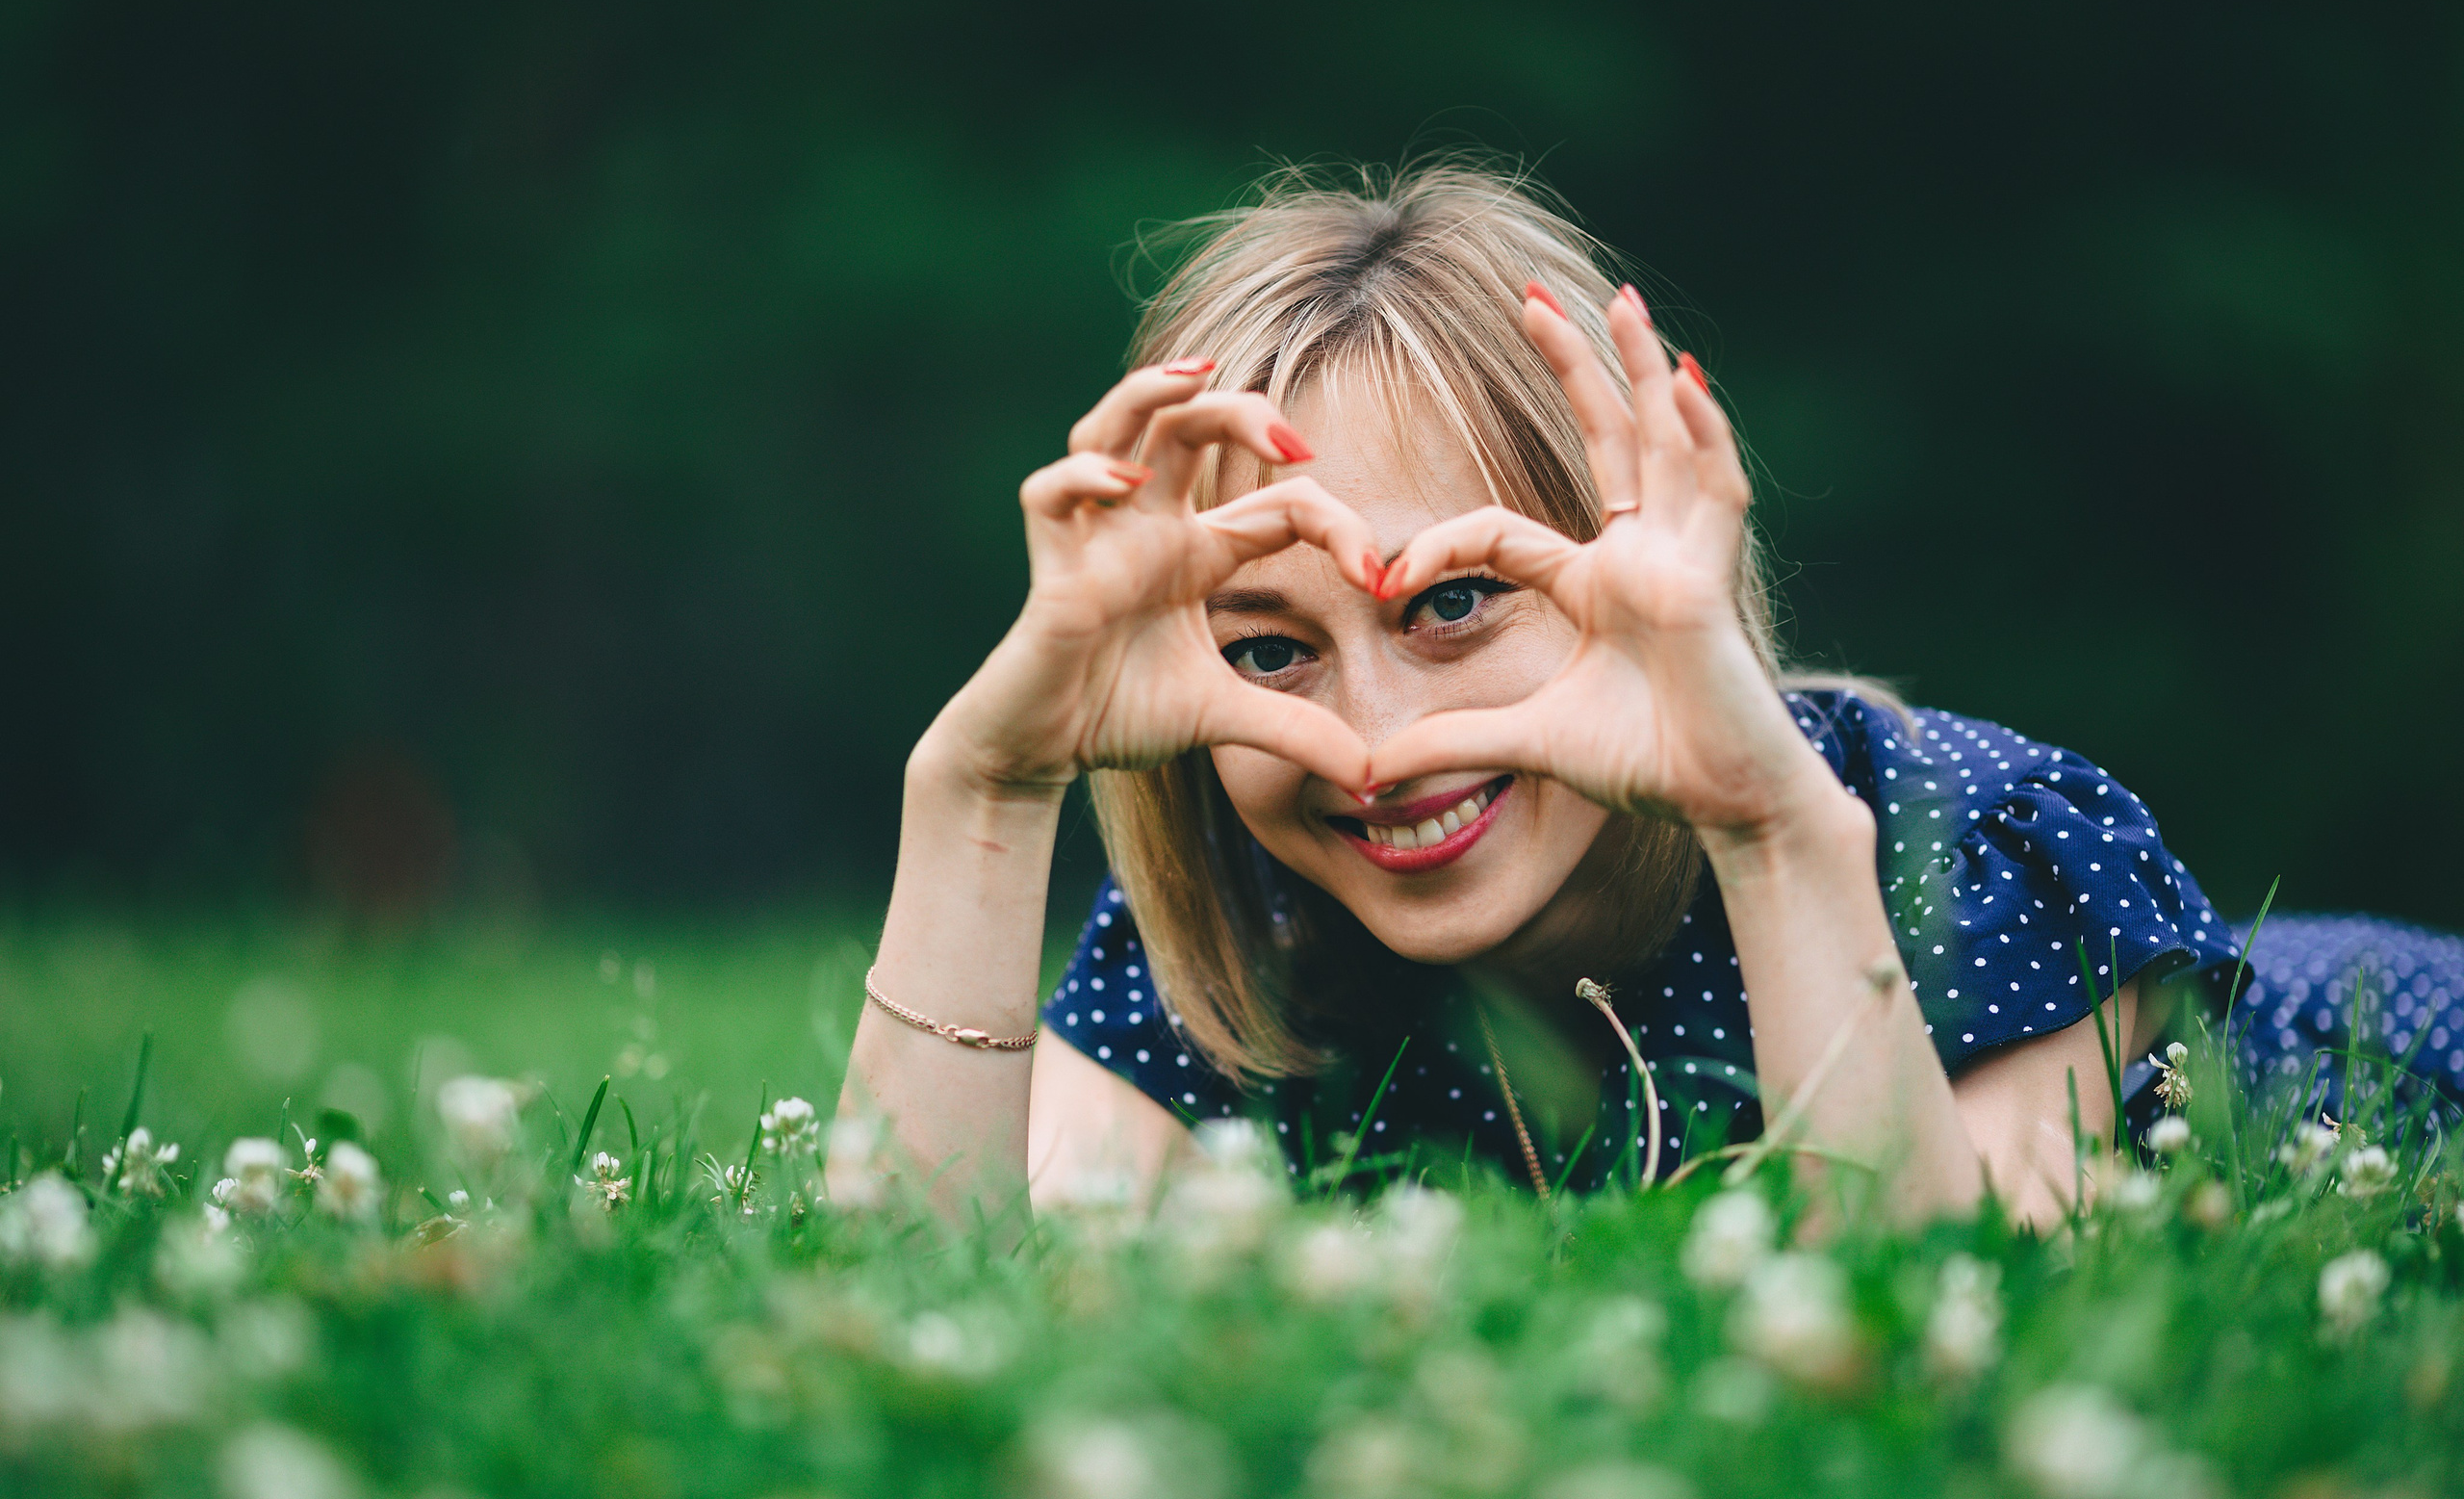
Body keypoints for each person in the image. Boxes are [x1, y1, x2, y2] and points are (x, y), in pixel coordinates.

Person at [837, 161, 2463, 1230]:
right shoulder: (1245, 923)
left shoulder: (1968, 849)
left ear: (1634, 558)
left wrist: (1767, 830)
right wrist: (981, 786)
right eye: (1268, 647)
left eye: (1459, 604)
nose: (1378, 741)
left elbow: (1936, 1322)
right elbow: (921, 1283)